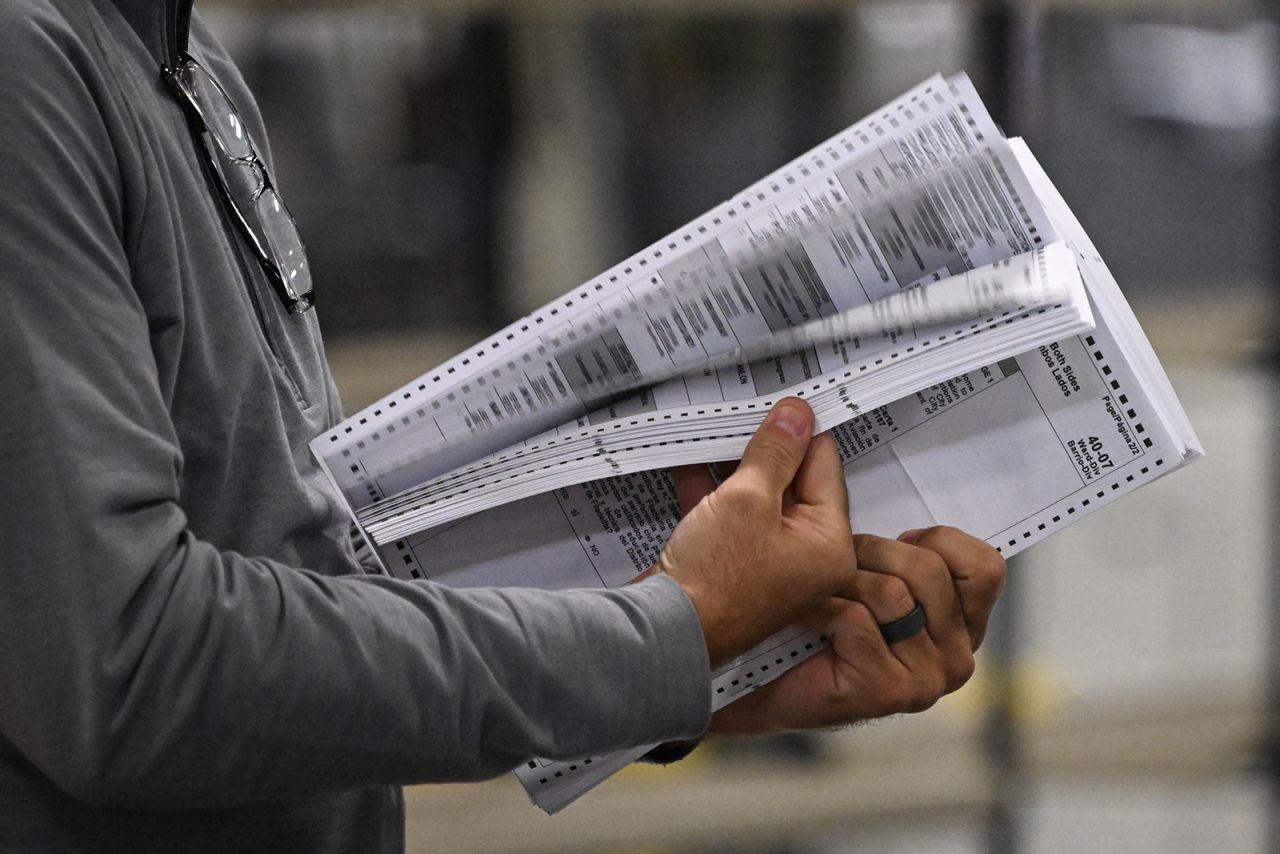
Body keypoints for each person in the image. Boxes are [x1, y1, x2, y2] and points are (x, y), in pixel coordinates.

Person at [0, 0, 1006, 851]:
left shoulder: (178, 59)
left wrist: (694, 663)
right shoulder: (30, 60)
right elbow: (127, 668)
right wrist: (666, 634)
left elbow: (300, 578)